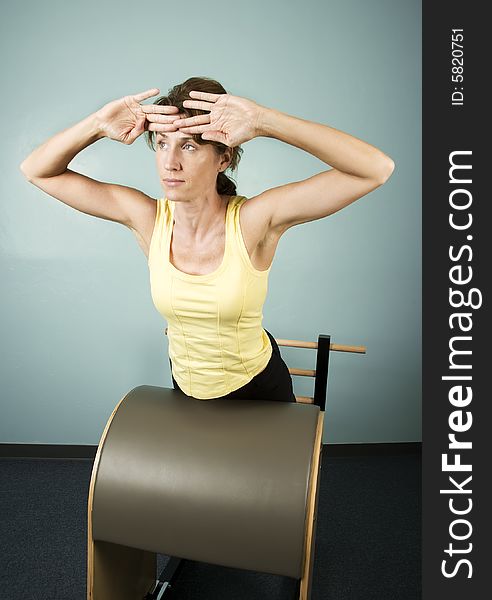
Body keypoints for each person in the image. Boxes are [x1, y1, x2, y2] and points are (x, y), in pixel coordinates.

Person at [19, 76, 394, 403]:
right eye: (163, 143)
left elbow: (374, 170)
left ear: (223, 158)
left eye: (190, 146)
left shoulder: (253, 220)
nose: (170, 163)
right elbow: (38, 171)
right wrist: (98, 124)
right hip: (186, 389)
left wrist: (266, 121)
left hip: (257, 390)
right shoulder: (146, 218)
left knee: (260, 487)